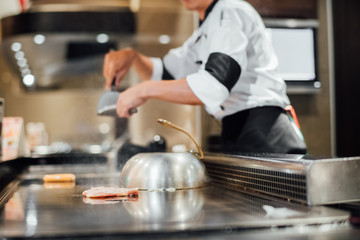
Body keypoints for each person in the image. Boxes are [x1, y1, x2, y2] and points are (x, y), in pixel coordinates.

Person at [103, 0, 307, 154]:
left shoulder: (230, 11)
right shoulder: (206, 29)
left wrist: (143, 90)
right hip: (237, 130)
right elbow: (164, 73)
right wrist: (133, 58)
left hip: (266, 132)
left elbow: (214, 84)